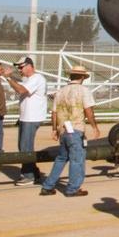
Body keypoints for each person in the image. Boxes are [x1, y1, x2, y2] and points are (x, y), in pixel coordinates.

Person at [40, 64, 100, 197]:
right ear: (83, 77)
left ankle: (48, 186)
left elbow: (54, 113)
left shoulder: (60, 91)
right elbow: (88, 110)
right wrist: (94, 127)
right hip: (76, 128)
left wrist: (54, 129)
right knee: (77, 159)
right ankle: (73, 188)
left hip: (63, 130)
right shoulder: (84, 91)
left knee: (61, 158)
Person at [5, 56, 47, 185]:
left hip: (31, 118)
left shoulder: (37, 78)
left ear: (29, 66)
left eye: (21, 67)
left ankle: (29, 176)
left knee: (25, 147)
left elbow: (21, 90)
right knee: (24, 146)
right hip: (26, 117)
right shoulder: (29, 79)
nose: (19, 70)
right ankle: (33, 172)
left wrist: (8, 78)